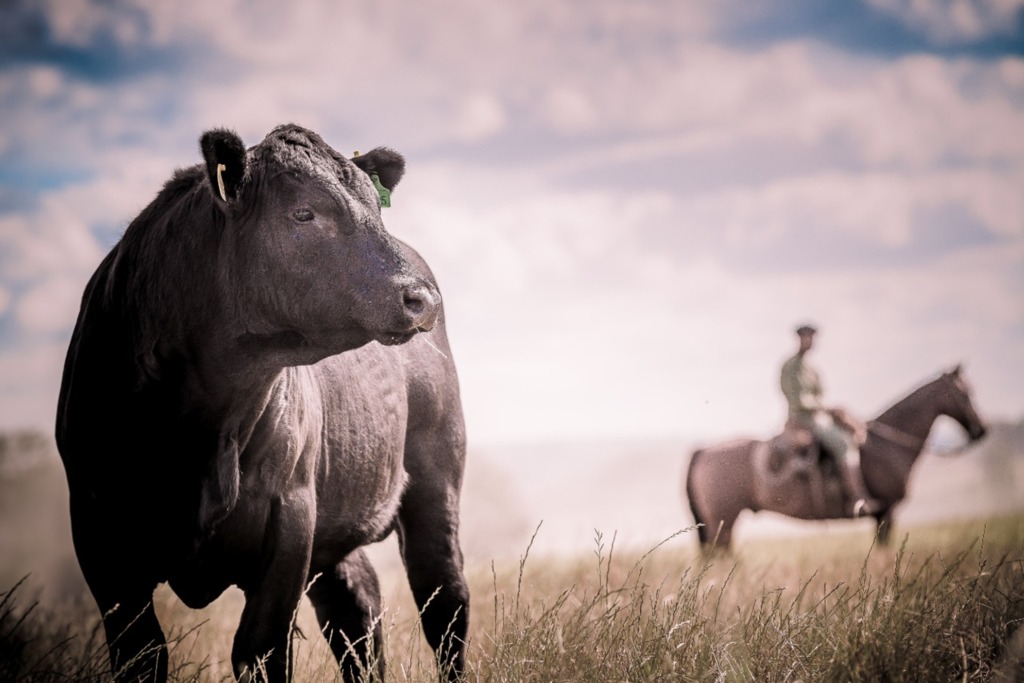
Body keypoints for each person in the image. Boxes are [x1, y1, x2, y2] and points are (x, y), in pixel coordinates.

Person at [779, 323, 880, 517]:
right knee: (842, 443)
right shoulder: (790, 366)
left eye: (812, 338)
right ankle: (857, 498)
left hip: (819, 417)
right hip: (802, 418)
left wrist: (831, 408)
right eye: (806, 337)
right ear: (799, 339)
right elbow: (796, 398)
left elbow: (821, 393)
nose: (810, 341)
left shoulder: (813, 369)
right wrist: (823, 407)